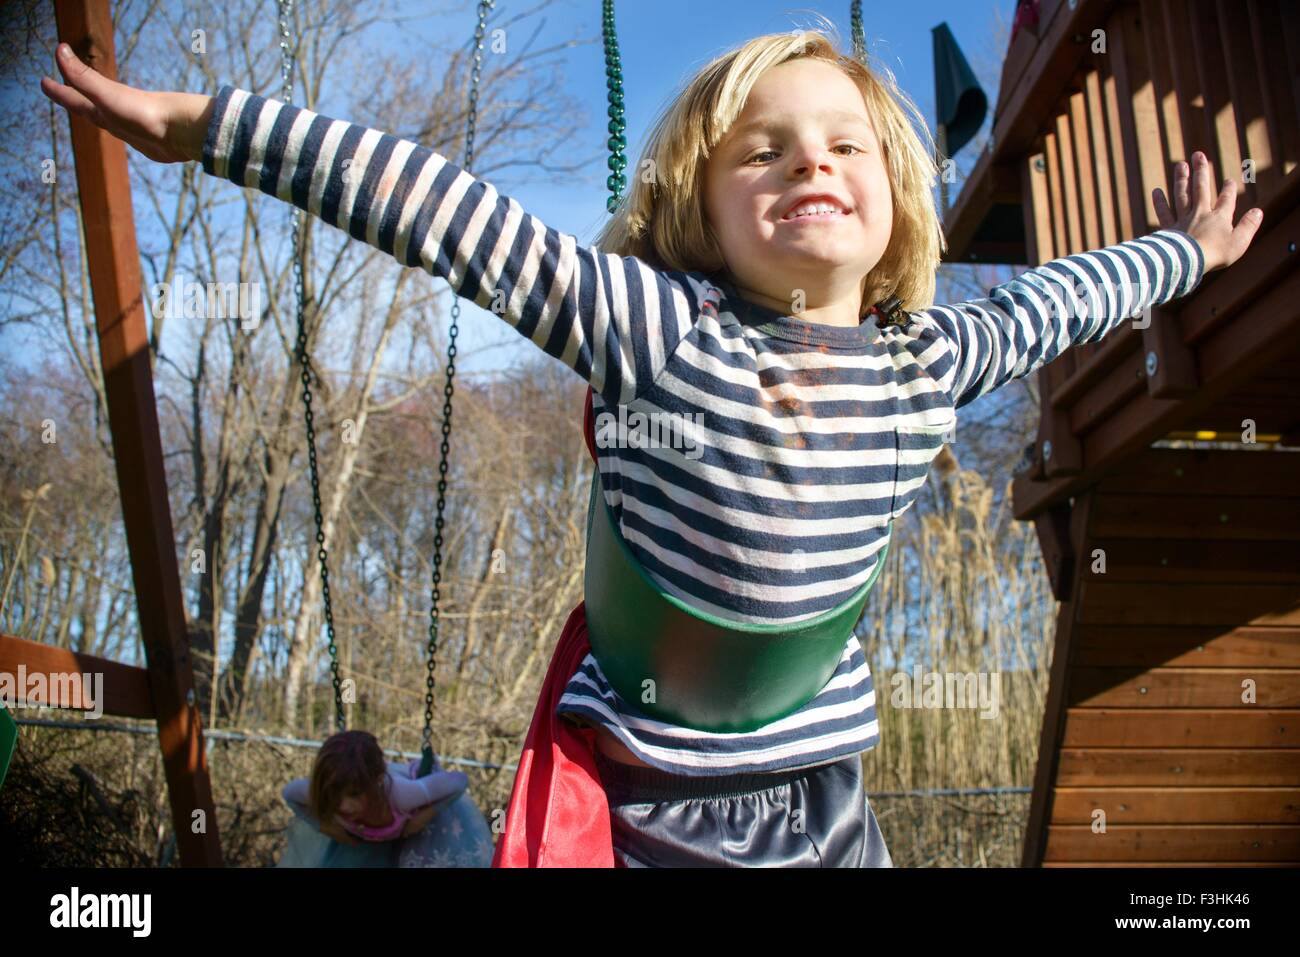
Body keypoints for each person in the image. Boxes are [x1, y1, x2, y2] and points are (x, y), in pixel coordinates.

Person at [40, 24, 1261, 867]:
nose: (810, 162)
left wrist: (1191, 256)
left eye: (845, 144)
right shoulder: (662, 330)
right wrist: (205, 124)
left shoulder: (926, 360)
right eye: (764, 148)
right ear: (699, 204)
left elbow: (1072, 295)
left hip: (823, 795)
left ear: (894, 198)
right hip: (651, 800)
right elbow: (436, 208)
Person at [280, 729, 468, 845]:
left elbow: (459, 782)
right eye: (334, 794)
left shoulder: (401, 795)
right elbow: (289, 794)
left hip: (407, 836)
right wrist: (326, 828)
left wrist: (421, 818)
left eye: (354, 795)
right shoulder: (324, 791)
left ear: (376, 782)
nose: (343, 806)